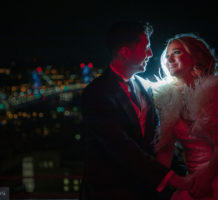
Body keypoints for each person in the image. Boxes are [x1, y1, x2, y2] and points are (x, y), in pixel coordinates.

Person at [79, 21, 188, 200]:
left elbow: (156, 140)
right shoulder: (96, 93)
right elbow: (121, 146)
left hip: (142, 191)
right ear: (125, 52)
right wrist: (169, 178)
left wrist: (183, 173)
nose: (150, 54)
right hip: (108, 192)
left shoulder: (143, 87)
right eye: (145, 47)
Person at [152, 33, 218, 199]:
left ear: (195, 56)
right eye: (167, 55)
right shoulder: (167, 100)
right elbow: (165, 150)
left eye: (176, 52)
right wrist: (159, 182)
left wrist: (204, 179)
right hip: (195, 177)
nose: (169, 59)